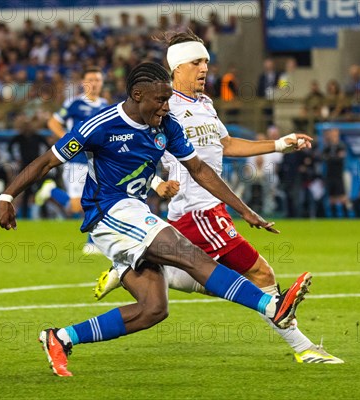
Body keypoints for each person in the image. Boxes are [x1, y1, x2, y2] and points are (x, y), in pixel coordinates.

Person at [0, 62, 312, 377]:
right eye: (159, 100)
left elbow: (200, 170)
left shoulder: (167, 125)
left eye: (167, 99)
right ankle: (272, 307)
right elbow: (47, 161)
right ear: (137, 95)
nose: (165, 106)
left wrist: (243, 210)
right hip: (109, 212)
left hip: (135, 212)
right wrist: (8, 196)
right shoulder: (100, 125)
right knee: (190, 254)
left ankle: (60, 337)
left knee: (153, 309)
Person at [94, 32, 342, 364]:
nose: (204, 68)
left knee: (222, 280)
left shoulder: (206, 105)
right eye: (196, 62)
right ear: (177, 67)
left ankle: (130, 265)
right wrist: (155, 184)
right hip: (198, 211)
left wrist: (280, 144)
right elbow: (128, 153)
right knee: (260, 275)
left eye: (206, 62)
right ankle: (304, 349)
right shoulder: (162, 106)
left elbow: (226, 146)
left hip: (211, 207)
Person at [38, 66, 108, 254]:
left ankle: (92, 243)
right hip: (76, 160)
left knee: (97, 200)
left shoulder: (105, 105)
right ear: (84, 83)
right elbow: (52, 122)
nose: (94, 83)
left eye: (98, 80)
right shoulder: (74, 104)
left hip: (98, 160)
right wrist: (68, 140)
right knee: (77, 207)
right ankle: (52, 191)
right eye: (91, 80)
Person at [322, 128, 349, 218]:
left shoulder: (341, 146)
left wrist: (330, 158)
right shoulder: (328, 147)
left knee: (342, 197)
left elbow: (340, 158)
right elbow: (323, 157)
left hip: (338, 175)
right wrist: (333, 158)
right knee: (332, 198)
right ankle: (334, 217)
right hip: (330, 175)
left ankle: (345, 216)